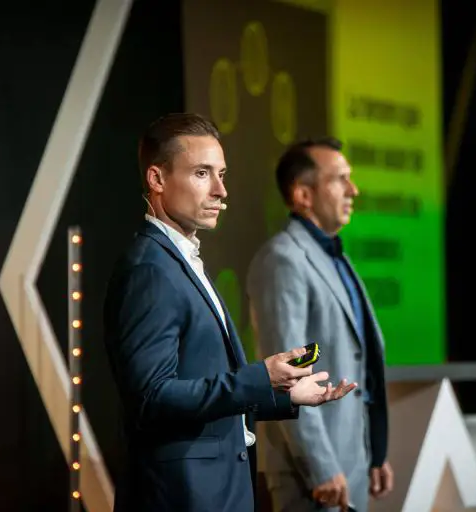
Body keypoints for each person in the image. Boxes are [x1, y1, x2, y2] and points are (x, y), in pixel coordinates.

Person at [102, 114, 356, 512]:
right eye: (202, 173)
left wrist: (283, 396)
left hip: (213, 492)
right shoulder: (149, 270)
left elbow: (202, 385)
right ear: (157, 179)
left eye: (221, 174)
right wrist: (260, 378)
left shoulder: (178, 261)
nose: (221, 190)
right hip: (183, 498)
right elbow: (152, 398)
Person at [246, 137, 393, 512]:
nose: (353, 190)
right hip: (311, 476)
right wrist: (321, 467)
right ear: (303, 195)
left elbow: (358, 359)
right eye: (340, 179)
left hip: (350, 462)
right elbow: (289, 375)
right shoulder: (284, 260)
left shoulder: (334, 256)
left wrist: (374, 452)